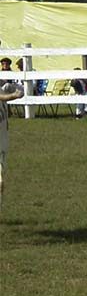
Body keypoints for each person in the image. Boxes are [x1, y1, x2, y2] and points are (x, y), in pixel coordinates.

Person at [0, 82, 25, 212]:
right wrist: (14, 95)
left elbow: (19, 88)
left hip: (2, 143)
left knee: (0, 182)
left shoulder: (3, 86)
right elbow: (3, 97)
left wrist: (16, 88)